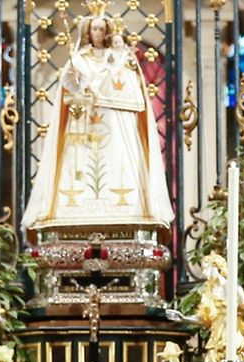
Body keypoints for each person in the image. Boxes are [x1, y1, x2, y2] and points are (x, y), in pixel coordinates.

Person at [20, 12, 173, 236]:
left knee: (119, 162)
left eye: (102, 29)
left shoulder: (119, 59)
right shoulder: (80, 58)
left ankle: (127, 209)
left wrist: (119, 72)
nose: (98, 33)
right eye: (94, 29)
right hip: (86, 126)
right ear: (87, 31)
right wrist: (76, 82)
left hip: (116, 123)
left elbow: (132, 93)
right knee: (83, 167)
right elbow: (70, 90)